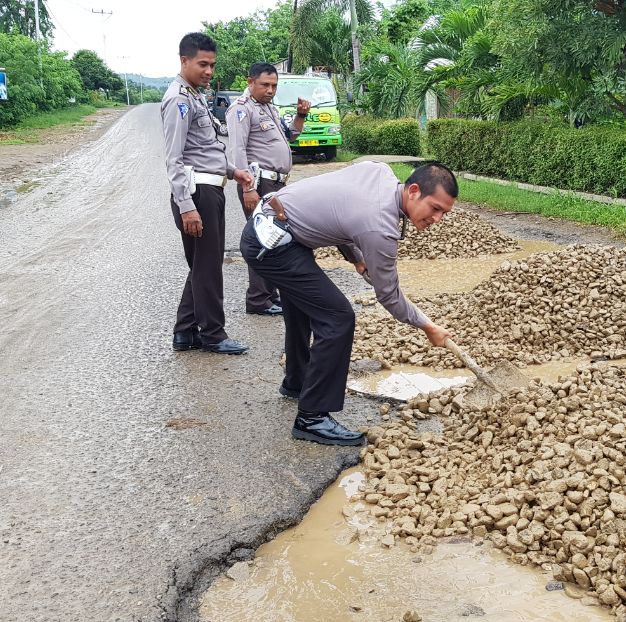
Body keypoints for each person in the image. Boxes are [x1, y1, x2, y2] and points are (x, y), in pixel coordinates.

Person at [240, 162, 457, 446]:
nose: (437, 219)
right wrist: (428, 326)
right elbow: (389, 296)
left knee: (304, 304)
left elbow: (340, 207)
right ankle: (312, 417)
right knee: (338, 318)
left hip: (275, 224)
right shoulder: (380, 226)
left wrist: (356, 257)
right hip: (270, 244)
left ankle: (297, 382)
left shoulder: (379, 172)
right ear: (414, 191)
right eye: (435, 208)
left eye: (444, 213)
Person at [161, 32, 256, 355]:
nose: (209, 72)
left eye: (212, 65)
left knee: (203, 264)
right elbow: (174, 159)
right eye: (203, 64)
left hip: (208, 188)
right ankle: (213, 334)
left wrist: (233, 171)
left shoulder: (195, 95)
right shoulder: (179, 100)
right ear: (184, 61)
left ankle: (185, 332)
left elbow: (205, 149)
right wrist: (187, 207)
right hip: (197, 193)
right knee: (208, 267)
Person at [226, 62, 310, 317]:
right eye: (265, 85)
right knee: (263, 239)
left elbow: (290, 136)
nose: (270, 90)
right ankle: (258, 300)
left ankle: (270, 296)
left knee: (275, 240)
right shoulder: (241, 110)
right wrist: (248, 187)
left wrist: (301, 116)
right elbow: (237, 151)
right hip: (259, 183)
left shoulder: (268, 108)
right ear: (250, 81)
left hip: (276, 183)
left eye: (274, 85)